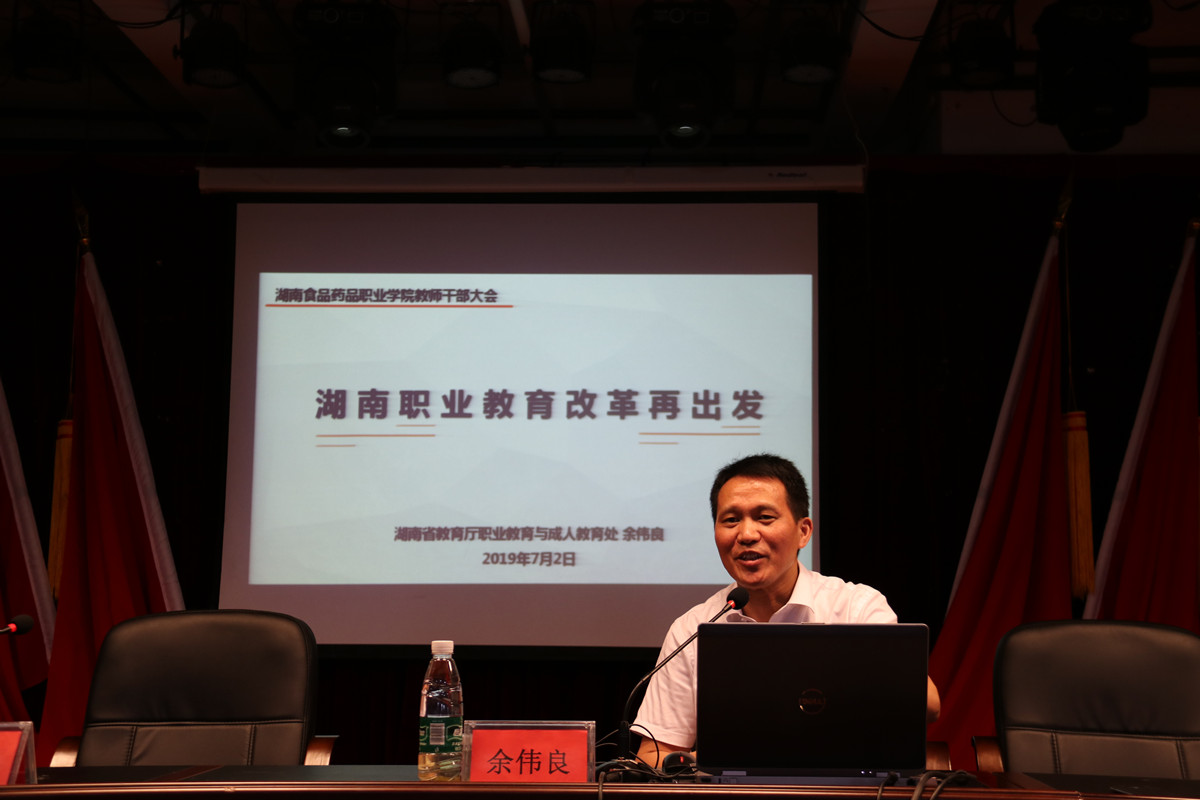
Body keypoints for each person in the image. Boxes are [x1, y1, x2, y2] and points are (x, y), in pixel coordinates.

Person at [632, 453, 941, 768]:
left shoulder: (855, 607)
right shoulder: (693, 629)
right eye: (731, 520)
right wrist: (714, 760)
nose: (746, 534)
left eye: (764, 517)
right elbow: (651, 756)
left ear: (803, 531)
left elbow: (930, 706)